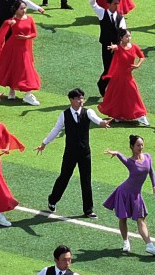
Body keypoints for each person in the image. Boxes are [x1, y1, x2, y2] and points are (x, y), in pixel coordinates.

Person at [39, 89, 107, 218]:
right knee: (64, 177)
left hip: (85, 152)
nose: (81, 101)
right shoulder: (64, 115)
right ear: (71, 100)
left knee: (86, 180)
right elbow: (56, 130)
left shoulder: (88, 112)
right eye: (78, 98)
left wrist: (102, 123)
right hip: (70, 153)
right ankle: (52, 199)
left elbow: (96, 119)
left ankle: (88, 210)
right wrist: (44, 143)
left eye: (82, 98)